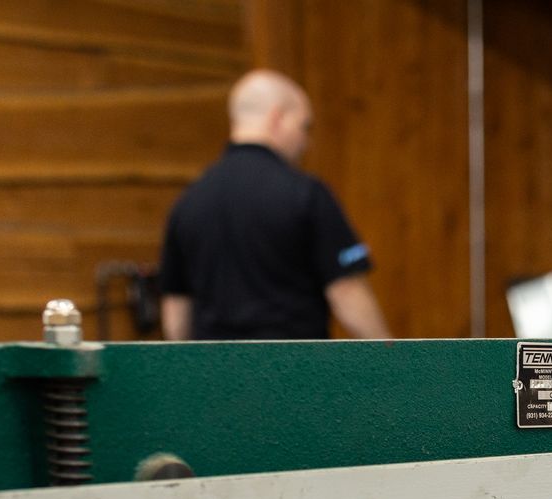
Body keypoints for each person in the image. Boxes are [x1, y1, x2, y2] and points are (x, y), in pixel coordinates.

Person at [158, 70, 390, 341]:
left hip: (215, 376)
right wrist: (392, 363)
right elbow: (347, 292)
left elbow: (176, 311)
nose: (307, 141)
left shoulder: (188, 201)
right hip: (295, 373)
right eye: (304, 127)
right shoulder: (306, 194)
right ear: (277, 118)